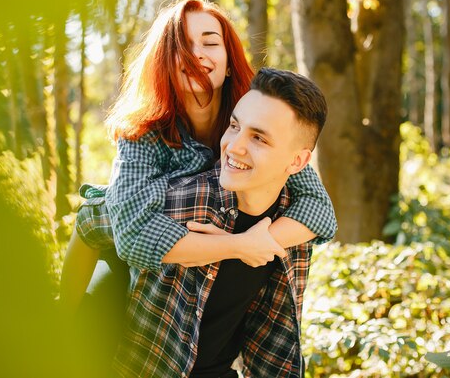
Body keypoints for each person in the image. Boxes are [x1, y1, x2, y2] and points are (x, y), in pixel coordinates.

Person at [60, 0, 336, 312]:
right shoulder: (141, 132)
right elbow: (133, 237)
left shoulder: (252, 120)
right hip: (115, 253)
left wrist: (263, 239)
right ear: (164, 61)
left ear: (230, 61)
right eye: (182, 45)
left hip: (188, 268)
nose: (196, 55)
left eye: (210, 43)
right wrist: (238, 246)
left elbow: (319, 210)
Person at [76, 67, 334, 377]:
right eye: (234, 126)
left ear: (297, 162)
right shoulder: (183, 201)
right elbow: (89, 219)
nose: (234, 146)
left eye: (259, 139)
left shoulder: (295, 223)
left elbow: (274, 340)